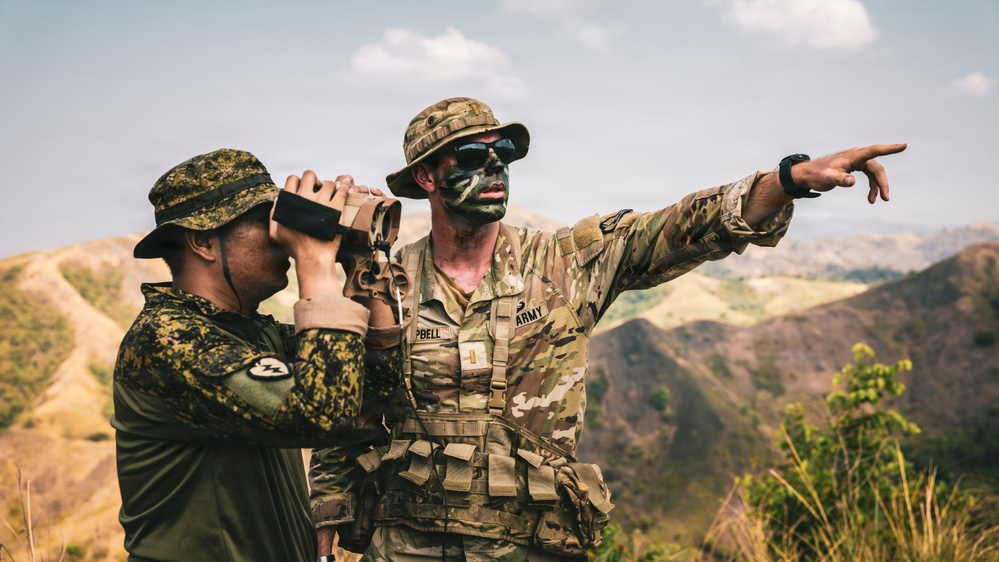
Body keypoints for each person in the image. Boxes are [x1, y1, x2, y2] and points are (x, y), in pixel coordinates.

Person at [309, 98, 907, 561]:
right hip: (407, 544)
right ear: (427, 179)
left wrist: (791, 178)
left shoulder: (567, 262)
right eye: (469, 156)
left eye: (504, 154)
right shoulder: (385, 282)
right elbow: (351, 411)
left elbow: (681, 226)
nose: (494, 166)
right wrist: (327, 518)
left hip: (532, 546)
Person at [112, 148, 405, 561]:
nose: (280, 235)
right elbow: (325, 416)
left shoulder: (253, 332)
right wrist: (315, 263)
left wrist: (360, 264)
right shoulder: (165, 341)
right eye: (264, 220)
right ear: (202, 241)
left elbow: (378, 385)